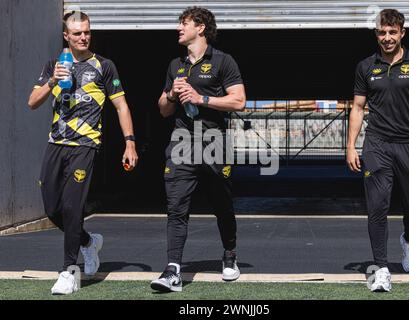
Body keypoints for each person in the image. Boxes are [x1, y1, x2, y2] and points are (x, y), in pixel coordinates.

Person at [28, 11, 138, 295]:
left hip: (86, 145)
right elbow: (32, 102)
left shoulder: (104, 66)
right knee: (53, 209)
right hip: (56, 144)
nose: (83, 37)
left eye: (87, 31)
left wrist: (129, 141)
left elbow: (121, 106)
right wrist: (52, 80)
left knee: (72, 207)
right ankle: (89, 242)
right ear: (66, 35)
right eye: (77, 33)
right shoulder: (54, 64)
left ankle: (68, 271)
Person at [151, 7, 246, 292]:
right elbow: (163, 110)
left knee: (222, 204)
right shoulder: (175, 65)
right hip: (181, 143)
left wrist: (200, 97)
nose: (179, 28)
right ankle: (173, 270)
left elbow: (239, 101)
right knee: (176, 207)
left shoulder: (223, 61)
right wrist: (170, 94)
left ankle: (229, 255)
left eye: (184, 24)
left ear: (201, 28)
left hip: (214, 141)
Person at [347, 9, 409, 292]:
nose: (387, 38)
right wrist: (351, 146)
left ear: (402, 33)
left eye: (392, 32)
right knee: (377, 207)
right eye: (382, 33)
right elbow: (358, 108)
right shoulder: (366, 66)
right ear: (377, 34)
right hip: (377, 144)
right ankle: (381, 268)